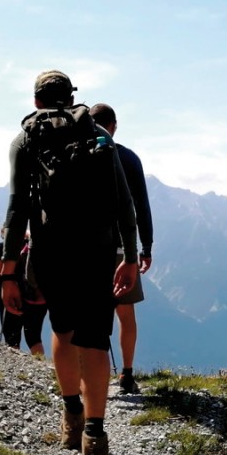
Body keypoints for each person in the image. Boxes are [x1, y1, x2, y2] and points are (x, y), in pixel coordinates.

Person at [0, 70, 138, 455]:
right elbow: (123, 203)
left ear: (38, 101)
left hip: (50, 253)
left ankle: (72, 416)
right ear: (72, 96)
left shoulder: (26, 139)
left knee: (62, 332)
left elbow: (16, 209)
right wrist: (129, 256)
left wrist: (9, 272)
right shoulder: (99, 136)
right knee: (96, 338)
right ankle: (95, 437)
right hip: (98, 253)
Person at [89, 103, 153, 395]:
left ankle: (87, 374)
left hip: (85, 249)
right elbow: (141, 205)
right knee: (125, 314)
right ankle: (126, 374)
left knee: (89, 313)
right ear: (114, 125)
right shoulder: (127, 157)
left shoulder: (77, 155)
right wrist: (145, 247)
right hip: (121, 250)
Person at [0, 229, 46, 358]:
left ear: (4, 234)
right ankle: (42, 368)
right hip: (36, 296)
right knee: (34, 336)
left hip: (12, 296)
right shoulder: (32, 247)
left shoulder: (3, 248)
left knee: (12, 335)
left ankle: (15, 369)